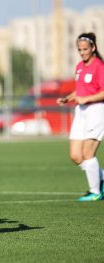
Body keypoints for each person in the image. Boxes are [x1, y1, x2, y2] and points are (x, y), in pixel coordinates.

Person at [57, 32, 104, 201]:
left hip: (96, 111)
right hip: (80, 111)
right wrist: (68, 98)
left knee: (88, 153)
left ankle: (96, 192)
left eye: (85, 49)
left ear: (93, 48)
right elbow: (81, 89)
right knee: (76, 156)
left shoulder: (99, 66)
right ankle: (101, 178)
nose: (82, 52)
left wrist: (87, 98)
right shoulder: (79, 66)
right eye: (80, 49)